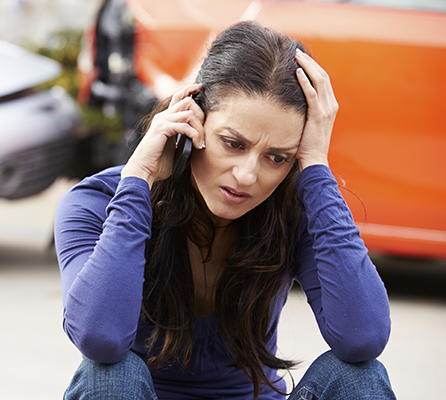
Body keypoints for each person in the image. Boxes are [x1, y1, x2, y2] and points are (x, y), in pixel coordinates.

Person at [54, 21, 395, 400]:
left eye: (276, 157)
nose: (248, 175)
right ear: (192, 119)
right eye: (233, 143)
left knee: (358, 377)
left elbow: (363, 338)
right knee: (108, 376)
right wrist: (139, 179)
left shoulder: (294, 208)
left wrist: (314, 164)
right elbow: (100, 339)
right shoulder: (96, 201)